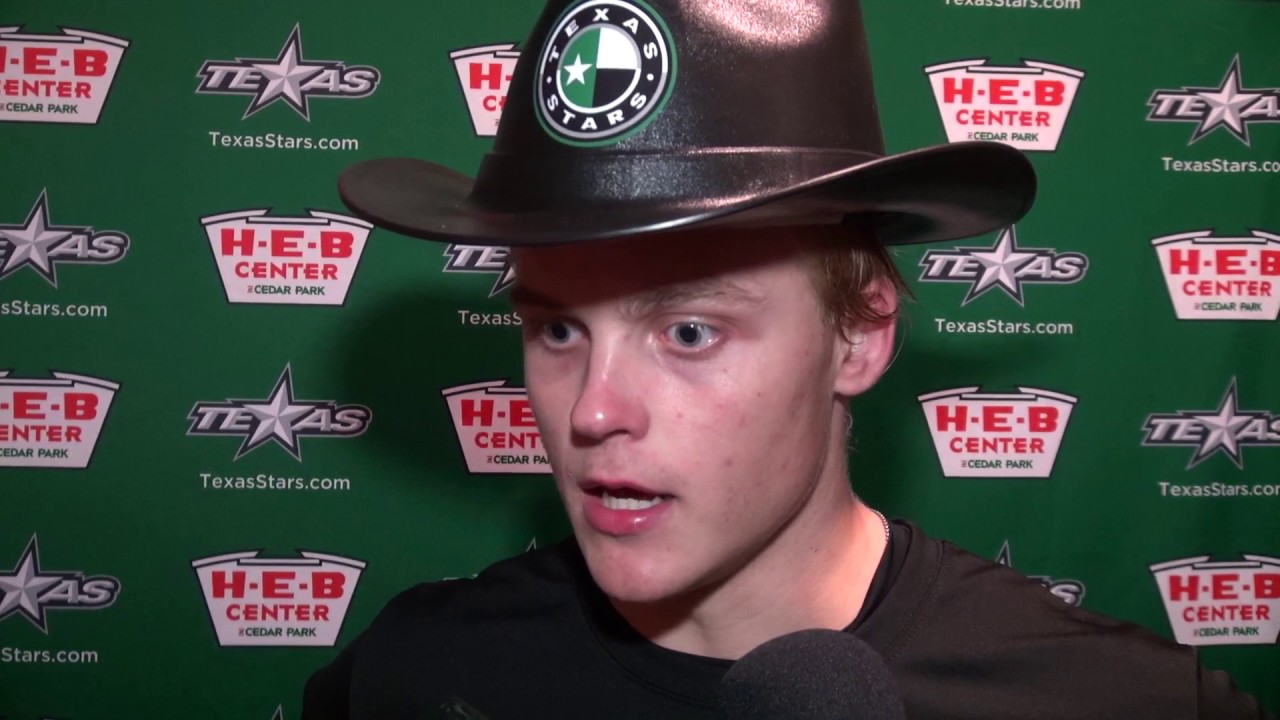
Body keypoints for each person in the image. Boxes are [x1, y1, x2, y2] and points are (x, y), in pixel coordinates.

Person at [303, 0, 1274, 717]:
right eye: (557, 330)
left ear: (859, 335)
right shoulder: (414, 678)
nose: (593, 412)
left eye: (689, 331)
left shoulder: (1118, 704)